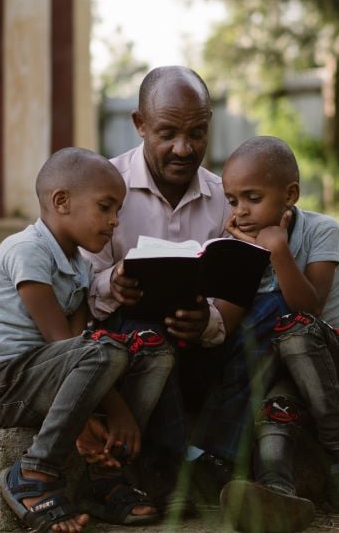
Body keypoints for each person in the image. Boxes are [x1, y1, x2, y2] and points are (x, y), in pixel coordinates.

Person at [0, 147, 175, 533]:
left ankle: (106, 475)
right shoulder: (27, 251)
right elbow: (62, 340)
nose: (114, 222)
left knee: (152, 349)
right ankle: (33, 472)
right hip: (3, 385)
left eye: (118, 212)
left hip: (50, 375)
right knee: (106, 349)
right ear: (61, 201)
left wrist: (99, 408)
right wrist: (118, 411)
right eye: (106, 207)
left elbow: (80, 342)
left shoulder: (78, 265)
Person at [81, 66, 243, 509]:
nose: (183, 148)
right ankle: (168, 468)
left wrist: (207, 320)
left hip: (199, 353)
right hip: (129, 348)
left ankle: (223, 462)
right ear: (139, 124)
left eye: (197, 133)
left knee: (267, 329)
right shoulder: (101, 189)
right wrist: (112, 284)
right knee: (145, 332)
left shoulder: (223, 198)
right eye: (167, 132)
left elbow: (235, 291)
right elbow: (76, 286)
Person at [214, 136, 339, 533]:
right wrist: (240, 257)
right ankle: (275, 494)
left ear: (290, 195)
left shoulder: (322, 230)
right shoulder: (239, 242)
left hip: (337, 359)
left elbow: (309, 307)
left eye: (252, 197)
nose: (241, 211)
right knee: (276, 411)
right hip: (279, 366)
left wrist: (278, 252)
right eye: (232, 201)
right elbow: (229, 323)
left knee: (296, 330)